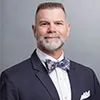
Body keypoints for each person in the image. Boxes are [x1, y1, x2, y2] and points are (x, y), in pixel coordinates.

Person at [0, 2, 100, 100]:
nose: (52, 29)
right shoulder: (11, 79)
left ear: (68, 30)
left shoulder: (88, 75)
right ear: (35, 31)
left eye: (58, 23)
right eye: (44, 24)